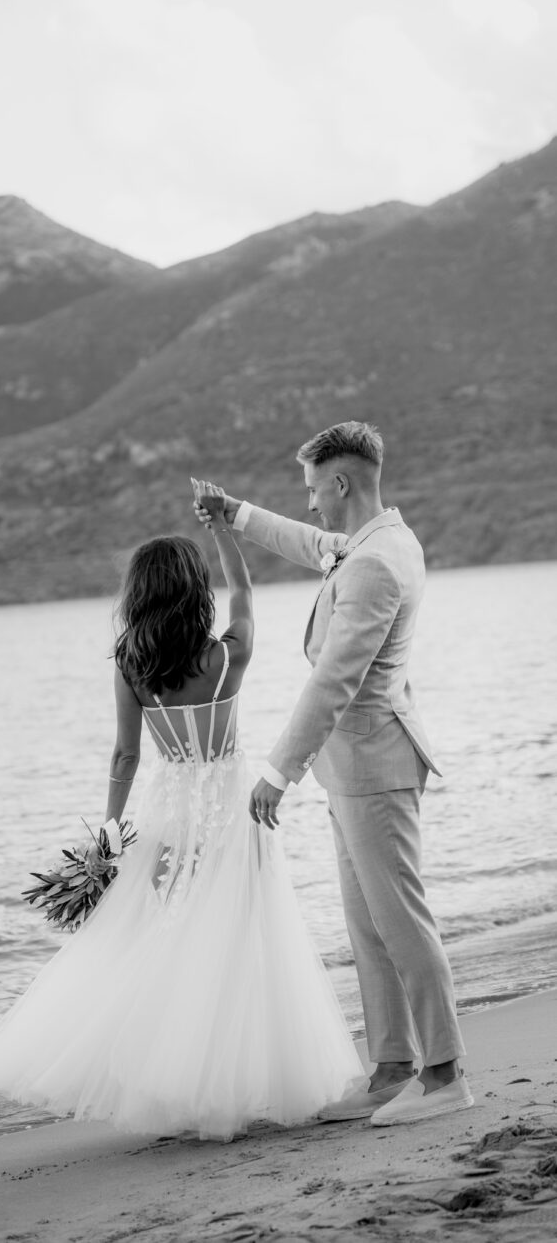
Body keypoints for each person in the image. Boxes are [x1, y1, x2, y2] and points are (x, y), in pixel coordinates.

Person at [0, 493, 363, 1142]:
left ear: (140, 596)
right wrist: (224, 530)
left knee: (168, 937)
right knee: (236, 943)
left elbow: (125, 755)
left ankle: (166, 1082)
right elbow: (245, 593)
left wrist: (109, 829)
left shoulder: (131, 664)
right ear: (194, 593)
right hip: (231, 812)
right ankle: (222, 1084)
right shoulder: (226, 656)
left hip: (169, 813)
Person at [194, 422, 474, 1127]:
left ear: (341, 483)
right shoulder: (377, 540)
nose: (311, 502)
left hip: (375, 762)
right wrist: (235, 514)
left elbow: (335, 680)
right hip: (353, 765)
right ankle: (391, 1069)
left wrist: (277, 771)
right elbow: (307, 542)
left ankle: (444, 1076)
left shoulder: (376, 562)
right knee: (369, 926)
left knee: (400, 921)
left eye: (315, 489)